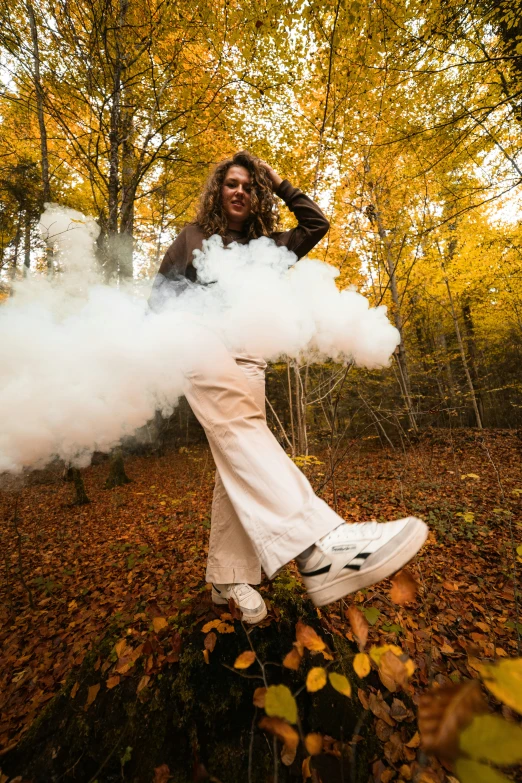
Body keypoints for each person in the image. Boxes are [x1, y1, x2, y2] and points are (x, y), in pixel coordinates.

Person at [150, 151, 427, 624]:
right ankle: (319, 549)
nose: (239, 190)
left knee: (238, 458)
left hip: (249, 356)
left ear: (257, 196)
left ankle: (228, 575)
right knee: (241, 436)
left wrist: (278, 181)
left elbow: (317, 224)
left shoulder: (268, 247)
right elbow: (158, 301)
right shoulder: (192, 238)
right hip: (195, 340)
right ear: (218, 190)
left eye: (248, 186)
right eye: (231, 183)